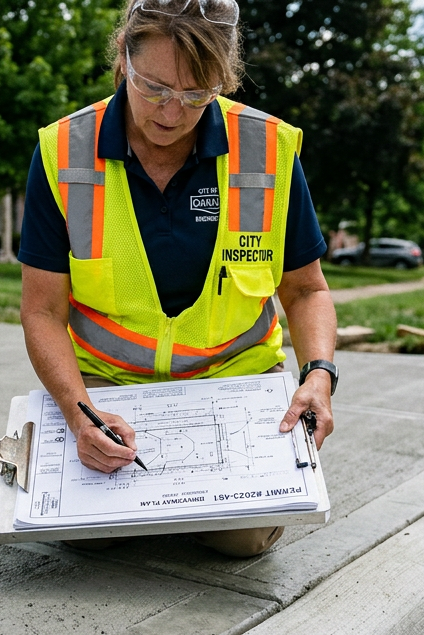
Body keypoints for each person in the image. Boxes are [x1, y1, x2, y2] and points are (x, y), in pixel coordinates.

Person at [17, 0, 338, 557]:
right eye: (154, 88)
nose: (171, 112)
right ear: (124, 59)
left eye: (196, 95)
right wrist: (77, 412)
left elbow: (306, 289)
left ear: (223, 81)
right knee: (83, 536)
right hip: (112, 392)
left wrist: (319, 375)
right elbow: (42, 309)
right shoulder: (63, 151)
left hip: (231, 388)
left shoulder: (266, 151)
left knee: (241, 539)